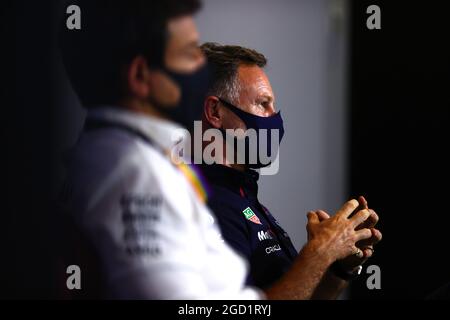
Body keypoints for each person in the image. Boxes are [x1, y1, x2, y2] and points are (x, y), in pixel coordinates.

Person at [198, 42, 382, 298]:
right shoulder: (204, 204)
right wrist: (320, 251)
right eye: (263, 104)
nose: (275, 116)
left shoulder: (243, 195)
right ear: (215, 112)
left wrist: (337, 266)